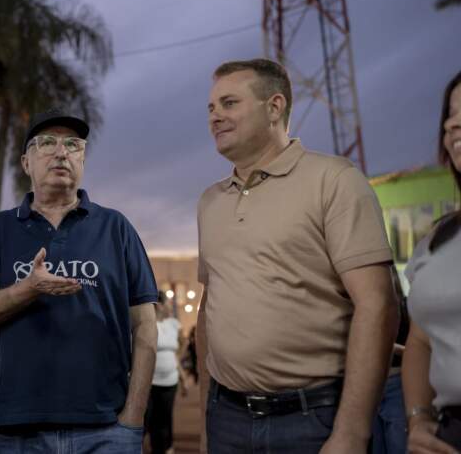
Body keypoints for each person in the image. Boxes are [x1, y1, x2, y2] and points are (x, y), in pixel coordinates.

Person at [197, 59, 398, 453]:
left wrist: (351, 432)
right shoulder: (210, 201)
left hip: (313, 419)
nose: (215, 116)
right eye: (211, 108)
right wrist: (208, 419)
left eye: (229, 103)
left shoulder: (335, 181)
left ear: (274, 107)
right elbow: (210, 307)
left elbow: (378, 304)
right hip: (227, 419)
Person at [0, 108, 158, 454]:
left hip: (106, 428)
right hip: (15, 430)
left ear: (82, 160)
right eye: (47, 143)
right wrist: (29, 288)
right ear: (26, 162)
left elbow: (144, 325)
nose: (61, 152)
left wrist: (133, 417)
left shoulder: (116, 228)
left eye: (73, 144)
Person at [402, 69, 461, 453]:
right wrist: (419, 418)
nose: (453, 123)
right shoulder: (437, 241)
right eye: (450, 114)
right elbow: (420, 340)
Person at [370, 270, 408, 454]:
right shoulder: (362, 310)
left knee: (399, 443)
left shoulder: (407, 306)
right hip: (374, 384)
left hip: (398, 381)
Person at [144, 291, 186, 454]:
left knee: (165, 417)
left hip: (170, 380)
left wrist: (181, 373)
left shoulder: (174, 324)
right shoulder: (148, 323)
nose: (171, 305)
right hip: (150, 381)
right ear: (160, 305)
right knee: (149, 419)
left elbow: (183, 343)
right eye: (168, 302)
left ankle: (166, 448)